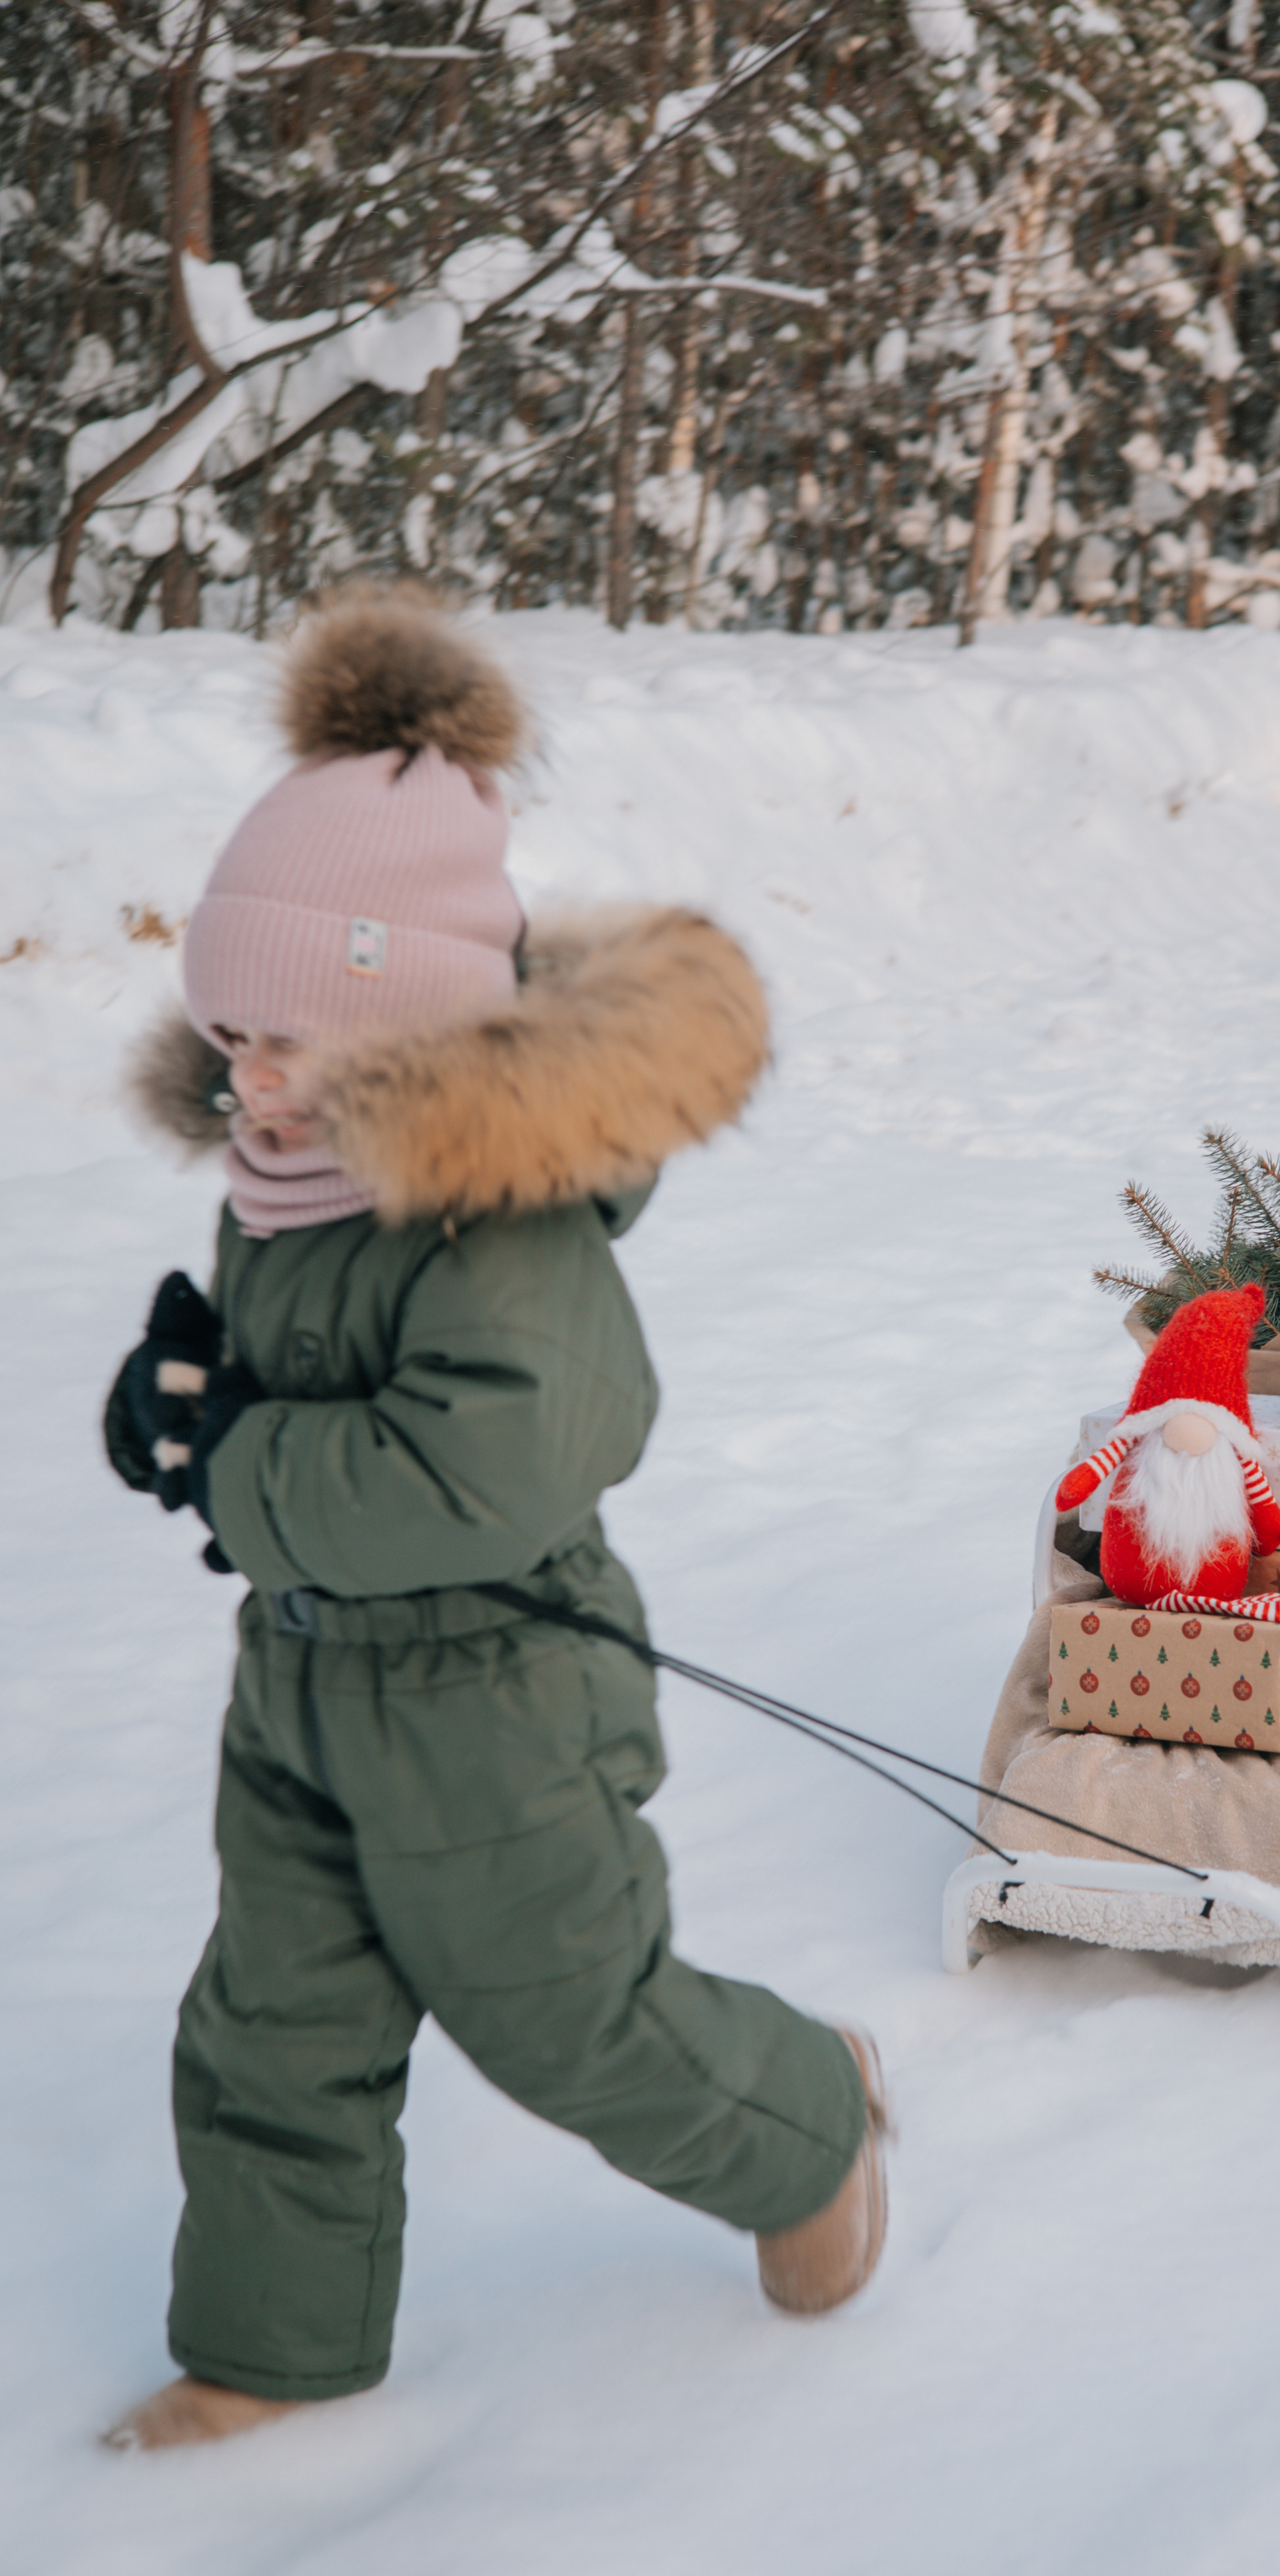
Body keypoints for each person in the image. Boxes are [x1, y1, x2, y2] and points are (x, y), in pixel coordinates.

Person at [100, 585, 886, 2452]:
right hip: (299, 1679)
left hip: (493, 1697)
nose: (251, 1087)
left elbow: (491, 1469)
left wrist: (240, 1474)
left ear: (420, 1032)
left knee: (569, 2022)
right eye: (230, 1037)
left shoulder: (513, 1230)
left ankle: (811, 2120)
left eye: (294, 1044)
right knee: (272, 2026)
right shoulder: (289, 1169)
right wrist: (186, 1394)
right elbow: (296, 1394)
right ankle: (264, 2355)